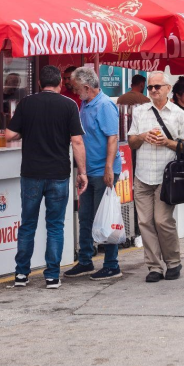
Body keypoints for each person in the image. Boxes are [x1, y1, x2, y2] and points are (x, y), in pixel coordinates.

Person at [7, 65, 87, 289]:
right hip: (59, 174)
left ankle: (21, 274)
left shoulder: (27, 103)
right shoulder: (69, 105)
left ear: (39, 84)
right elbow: (77, 141)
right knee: (55, 225)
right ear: (60, 84)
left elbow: (11, 134)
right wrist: (82, 172)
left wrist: (26, 130)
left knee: (28, 224)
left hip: (31, 173)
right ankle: (52, 275)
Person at [127, 71, 184, 282]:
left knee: (162, 221)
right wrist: (143, 137)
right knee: (145, 222)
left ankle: (173, 262)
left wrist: (167, 143)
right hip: (143, 174)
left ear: (168, 89)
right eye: (150, 87)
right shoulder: (140, 112)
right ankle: (154, 266)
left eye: (157, 87)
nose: (153, 90)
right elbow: (132, 142)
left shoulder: (179, 114)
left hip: (166, 176)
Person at [66, 66, 124, 280]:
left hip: (103, 170)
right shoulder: (85, 103)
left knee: (105, 217)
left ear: (87, 87)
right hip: (89, 171)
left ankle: (111, 264)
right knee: (86, 216)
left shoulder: (105, 105)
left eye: (76, 87)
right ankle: (85, 260)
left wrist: (109, 167)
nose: (74, 91)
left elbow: (112, 138)